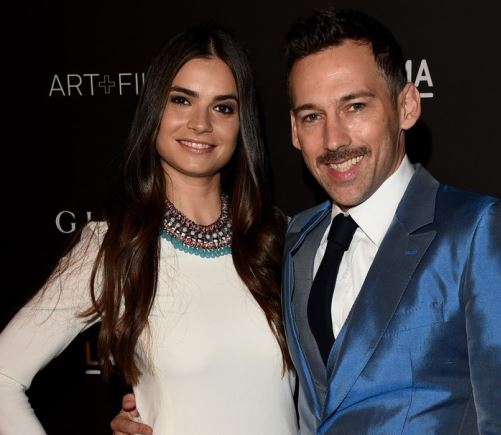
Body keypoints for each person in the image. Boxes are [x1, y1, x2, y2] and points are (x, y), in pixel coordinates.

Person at [111, 7, 501, 435]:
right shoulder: (296, 239)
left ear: (407, 106)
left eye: (355, 107)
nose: (333, 140)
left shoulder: (482, 232)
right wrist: (156, 407)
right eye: (313, 116)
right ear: (294, 131)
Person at [0, 25, 298, 435]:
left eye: (223, 108)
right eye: (181, 100)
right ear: (155, 107)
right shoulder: (115, 245)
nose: (201, 123)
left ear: (242, 123)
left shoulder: (278, 237)